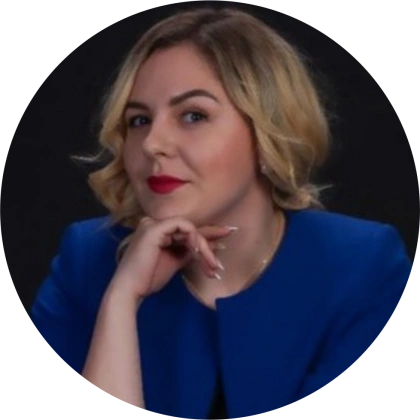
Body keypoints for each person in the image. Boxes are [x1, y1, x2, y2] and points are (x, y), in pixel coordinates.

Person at [29, 6, 413, 420]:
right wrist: (121, 300)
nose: (152, 143)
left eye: (193, 115)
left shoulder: (361, 265)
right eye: (139, 120)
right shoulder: (87, 260)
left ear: (267, 131)